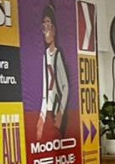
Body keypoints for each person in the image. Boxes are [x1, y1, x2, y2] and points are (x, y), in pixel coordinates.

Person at [37, 2, 69, 140]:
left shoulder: (57, 55)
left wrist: (61, 112)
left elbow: (65, 86)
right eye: (43, 23)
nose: (46, 27)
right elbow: (45, 91)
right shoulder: (43, 56)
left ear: (54, 29)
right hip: (47, 111)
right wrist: (42, 116)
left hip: (56, 112)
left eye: (48, 23)